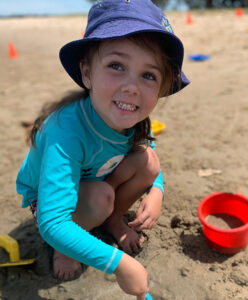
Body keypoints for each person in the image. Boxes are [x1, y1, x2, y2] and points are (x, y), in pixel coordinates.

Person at [16, 0, 189, 298]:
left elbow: (148, 157)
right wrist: (119, 264)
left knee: (148, 162)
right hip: (49, 203)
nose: (132, 87)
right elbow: (52, 220)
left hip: (95, 181)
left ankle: (111, 220)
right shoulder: (64, 131)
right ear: (87, 73)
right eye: (116, 66)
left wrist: (157, 190)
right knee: (99, 197)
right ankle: (65, 249)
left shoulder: (131, 116)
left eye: (148, 75)